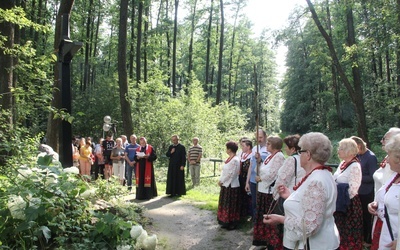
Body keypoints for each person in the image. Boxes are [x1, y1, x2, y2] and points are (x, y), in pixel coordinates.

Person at [264, 132, 340, 250]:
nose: (299, 155)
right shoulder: (322, 174)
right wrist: (290, 195)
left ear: (308, 154)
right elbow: (310, 203)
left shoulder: (317, 181)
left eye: (301, 152)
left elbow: (309, 226)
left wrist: (280, 219)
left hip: (315, 245)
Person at [368, 134, 400, 250]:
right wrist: (375, 205)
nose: (386, 159)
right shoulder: (395, 176)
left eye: (389, 155)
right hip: (385, 236)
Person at [252, 136, 285, 248]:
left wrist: (261, 179)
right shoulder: (270, 156)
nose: (266, 145)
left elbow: (274, 173)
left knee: (269, 216)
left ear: (275, 146)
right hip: (263, 190)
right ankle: (263, 239)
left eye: (269, 144)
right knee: (262, 215)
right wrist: (259, 160)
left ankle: (271, 241)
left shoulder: (279, 157)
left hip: (269, 192)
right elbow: (263, 169)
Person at [333, 138, 363, 249]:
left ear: (348, 150)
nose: (338, 151)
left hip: (349, 205)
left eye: (340, 148)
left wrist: (341, 198)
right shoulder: (343, 163)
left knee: (349, 233)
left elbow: (353, 189)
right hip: (340, 203)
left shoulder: (355, 166)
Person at [351, 135, 378, 247]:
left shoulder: (370, 157)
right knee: (359, 216)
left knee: (367, 217)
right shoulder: (358, 156)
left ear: (360, 146)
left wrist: (358, 177)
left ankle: (368, 239)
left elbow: (373, 176)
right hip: (358, 191)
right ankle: (359, 237)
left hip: (367, 191)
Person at [245, 129, 269, 221]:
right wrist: (247, 182)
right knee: (254, 203)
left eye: (261, 137)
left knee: (262, 203)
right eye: (257, 137)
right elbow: (251, 166)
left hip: (263, 180)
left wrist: (260, 159)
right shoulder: (255, 148)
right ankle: (255, 224)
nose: (259, 139)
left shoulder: (269, 149)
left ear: (265, 137)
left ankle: (263, 224)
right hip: (253, 180)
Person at [217, 141, 241, 230]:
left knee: (231, 204)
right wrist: (221, 180)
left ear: (230, 149)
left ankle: (232, 222)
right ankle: (225, 220)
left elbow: (232, 174)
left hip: (231, 185)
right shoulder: (229, 159)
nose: (226, 150)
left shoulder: (235, 160)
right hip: (226, 184)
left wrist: (223, 181)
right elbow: (225, 172)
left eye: (227, 148)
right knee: (226, 204)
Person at [239, 139, 252, 218]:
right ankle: (243, 213)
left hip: (247, 178)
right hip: (241, 177)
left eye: (243, 146)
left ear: (248, 146)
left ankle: (249, 213)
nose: (242, 148)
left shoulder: (251, 156)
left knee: (248, 196)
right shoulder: (243, 155)